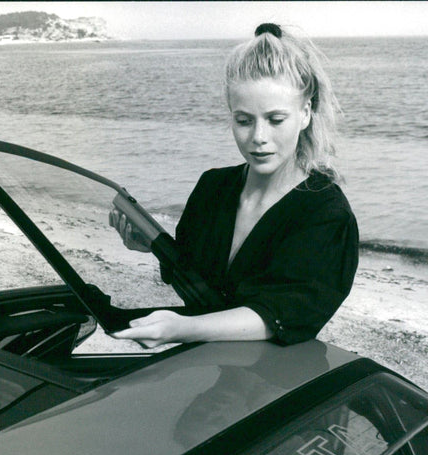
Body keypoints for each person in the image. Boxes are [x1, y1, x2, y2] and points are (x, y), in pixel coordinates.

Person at [109, 23, 358, 348]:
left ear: (306, 113)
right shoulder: (213, 187)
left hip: (270, 381)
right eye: (244, 120)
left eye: (275, 119)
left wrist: (179, 328)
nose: (258, 137)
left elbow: (279, 315)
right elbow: (194, 275)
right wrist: (150, 245)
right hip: (200, 365)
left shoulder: (326, 213)